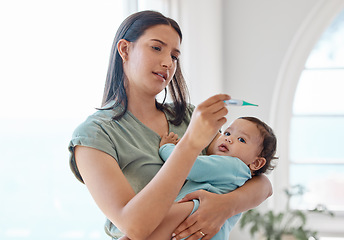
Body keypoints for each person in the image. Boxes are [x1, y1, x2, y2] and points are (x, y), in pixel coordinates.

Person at [68, 10, 272, 240]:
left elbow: (261, 184)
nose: (167, 63)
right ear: (125, 49)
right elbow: (134, 226)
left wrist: (225, 206)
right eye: (156, 47)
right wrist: (190, 144)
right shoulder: (94, 136)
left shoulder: (187, 116)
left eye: (174, 56)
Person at [156, 116, 278, 239]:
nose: (229, 139)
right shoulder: (240, 178)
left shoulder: (232, 165)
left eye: (241, 139)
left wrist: (167, 148)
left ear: (256, 163)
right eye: (227, 133)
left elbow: (187, 166)